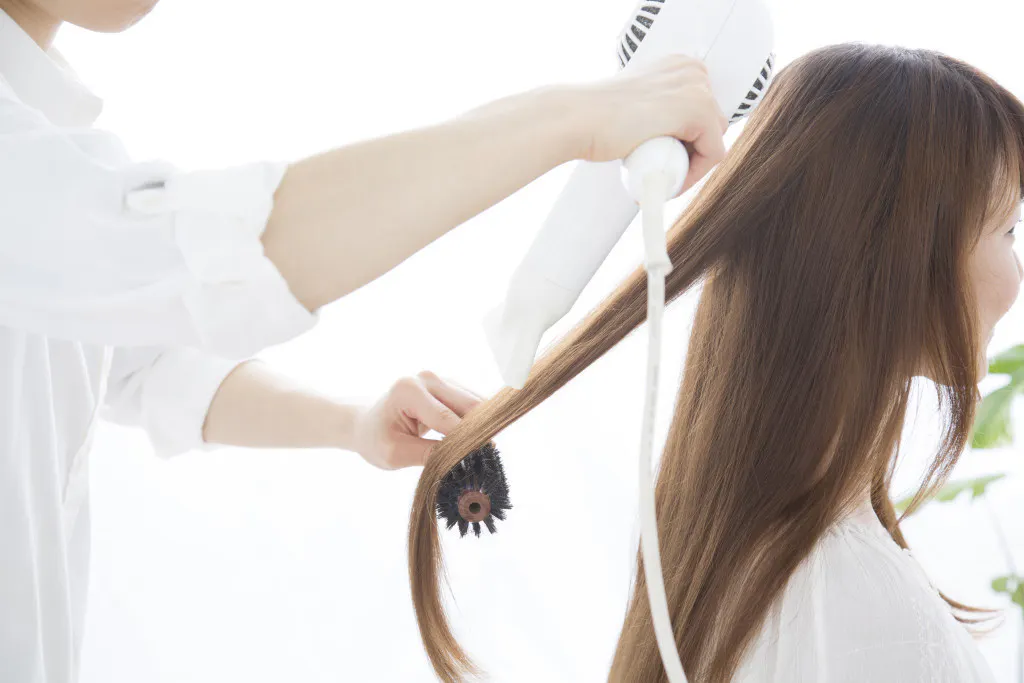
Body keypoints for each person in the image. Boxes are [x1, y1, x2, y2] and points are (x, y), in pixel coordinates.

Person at [0, 1, 732, 681]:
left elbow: (147, 364)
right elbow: (216, 255)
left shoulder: (49, 142)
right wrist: (572, 117)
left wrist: (353, 423)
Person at [408, 43, 1024, 683]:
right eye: (1008, 230)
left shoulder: (731, 558)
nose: (1017, 273)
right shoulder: (864, 611)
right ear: (902, 259)